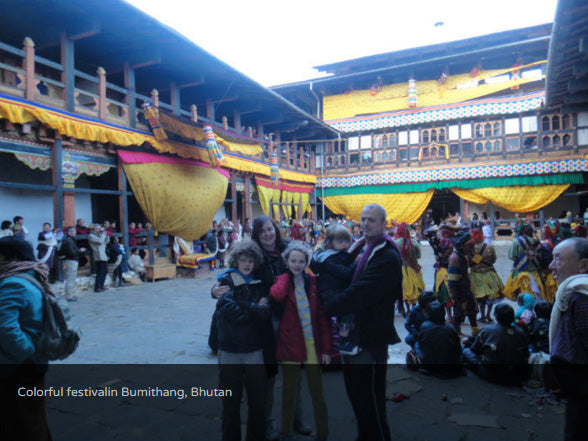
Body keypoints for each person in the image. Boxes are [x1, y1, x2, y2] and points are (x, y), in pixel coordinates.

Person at [211, 215, 310, 441]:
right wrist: (215, 290)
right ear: (256, 235)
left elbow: (307, 270)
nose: (267, 234)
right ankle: (266, 425)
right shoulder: (254, 258)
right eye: (262, 231)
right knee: (268, 377)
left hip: (290, 318)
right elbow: (234, 281)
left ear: (275, 229)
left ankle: (296, 420)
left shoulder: (288, 249)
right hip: (266, 322)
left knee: (293, 373)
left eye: (269, 229)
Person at [323, 204, 402, 441]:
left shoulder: (386, 255)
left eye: (371, 220)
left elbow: (361, 291)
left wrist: (328, 306)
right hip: (353, 333)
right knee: (356, 394)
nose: (365, 224)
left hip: (369, 336)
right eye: (363, 219)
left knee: (368, 398)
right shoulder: (365, 248)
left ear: (383, 224)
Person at [270, 241, 332, 441]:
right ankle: (285, 431)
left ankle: (323, 433)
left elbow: (322, 318)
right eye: (293, 260)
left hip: (312, 344)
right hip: (290, 344)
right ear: (286, 261)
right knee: (289, 392)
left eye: (301, 261)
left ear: (307, 262)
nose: (297, 264)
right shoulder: (283, 280)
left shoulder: (313, 282)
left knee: (317, 393)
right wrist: (286, 277)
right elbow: (276, 295)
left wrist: (327, 349)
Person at [215, 239, 271, 441]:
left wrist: (247, 307)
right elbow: (228, 311)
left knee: (257, 402)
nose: (247, 264)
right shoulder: (226, 281)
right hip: (229, 349)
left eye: (250, 260)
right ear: (235, 261)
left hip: (254, 350)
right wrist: (254, 308)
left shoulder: (259, 283)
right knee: (230, 403)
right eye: (243, 260)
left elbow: (266, 313)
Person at [0, 237, 52, 440]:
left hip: (18, 363)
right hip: (30, 359)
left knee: (21, 420)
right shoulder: (31, 274)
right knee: (32, 416)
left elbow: (5, 326)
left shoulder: (13, 282)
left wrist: (24, 351)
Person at [548, 237, 588, 441]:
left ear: (583, 265)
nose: (551, 265)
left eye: (558, 259)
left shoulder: (582, 300)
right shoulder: (571, 294)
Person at [310, 223, 356, 355]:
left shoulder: (325, 255)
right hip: (332, 292)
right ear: (330, 242)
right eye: (340, 241)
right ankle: (343, 339)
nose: (345, 245)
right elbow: (345, 273)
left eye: (347, 241)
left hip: (330, 291)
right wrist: (356, 264)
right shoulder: (329, 259)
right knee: (347, 311)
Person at [462, 303, 529, 386]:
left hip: (491, 372)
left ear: (496, 316)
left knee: (466, 351)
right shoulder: (520, 332)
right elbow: (526, 353)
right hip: (514, 373)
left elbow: (475, 350)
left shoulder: (488, 330)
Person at [410, 300, 463, 378]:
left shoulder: (425, 326)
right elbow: (458, 349)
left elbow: (421, 344)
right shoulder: (451, 328)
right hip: (451, 366)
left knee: (416, 343)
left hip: (430, 365)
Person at [469, 227, 504, 323]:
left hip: (475, 274)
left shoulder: (470, 249)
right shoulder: (489, 247)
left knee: (480, 297)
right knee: (491, 296)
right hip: (489, 273)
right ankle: (488, 314)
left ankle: (482, 315)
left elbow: (468, 262)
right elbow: (493, 260)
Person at [448, 231, 479, 336]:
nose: (471, 249)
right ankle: (455, 332)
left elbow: (476, 262)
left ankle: (475, 329)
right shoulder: (455, 258)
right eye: (470, 246)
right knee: (458, 313)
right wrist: (454, 296)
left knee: (472, 309)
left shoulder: (464, 255)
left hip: (466, 287)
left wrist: (474, 253)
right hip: (459, 290)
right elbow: (452, 280)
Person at [504, 222, 545, 301]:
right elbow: (540, 257)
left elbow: (511, 256)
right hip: (535, 274)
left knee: (523, 300)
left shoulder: (516, 241)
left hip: (521, 274)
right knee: (537, 298)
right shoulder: (536, 242)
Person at [394, 222, 425, 315]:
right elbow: (419, 255)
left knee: (404, 289)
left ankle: (406, 308)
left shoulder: (395, 242)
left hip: (401, 269)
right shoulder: (414, 242)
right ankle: (413, 307)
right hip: (413, 269)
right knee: (414, 288)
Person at [60, 226, 86, 302]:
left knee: (71, 278)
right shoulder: (68, 240)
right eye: (74, 231)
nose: (75, 233)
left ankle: (70, 294)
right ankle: (68, 296)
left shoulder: (70, 240)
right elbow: (72, 252)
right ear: (69, 233)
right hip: (71, 260)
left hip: (71, 260)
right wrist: (80, 250)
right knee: (70, 278)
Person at [88, 223, 110, 292]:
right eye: (98, 228)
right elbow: (100, 241)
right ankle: (97, 287)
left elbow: (106, 241)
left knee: (105, 271)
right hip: (98, 255)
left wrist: (106, 235)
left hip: (103, 255)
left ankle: (102, 285)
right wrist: (103, 233)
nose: (100, 229)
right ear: (95, 229)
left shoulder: (100, 235)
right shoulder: (91, 235)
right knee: (100, 272)